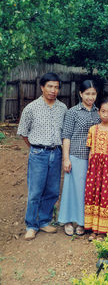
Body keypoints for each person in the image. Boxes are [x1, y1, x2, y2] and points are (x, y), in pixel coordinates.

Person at [17, 72, 67, 240]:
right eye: (50, 86)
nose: (53, 90)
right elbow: (24, 133)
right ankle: (31, 225)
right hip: (38, 153)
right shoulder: (31, 108)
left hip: (56, 153)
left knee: (52, 190)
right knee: (35, 191)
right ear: (42, 87)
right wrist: (36, 149)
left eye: (56, 87)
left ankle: (44, 221)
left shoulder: (62, 108)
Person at [58, 80, 100, 236]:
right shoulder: (72, 112)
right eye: (87, 93)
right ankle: (68, 220)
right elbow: (66, 136)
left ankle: (83, 222)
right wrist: (66, 158)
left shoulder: (98, 112)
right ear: (81, 94)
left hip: (93, 158)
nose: (90, 97)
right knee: (71, 190)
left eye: (93, 94)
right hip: (75, 156)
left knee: (86, 191)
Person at [84, 98, 108, 241]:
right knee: (93, 195)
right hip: (94, 169)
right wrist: (89, 169)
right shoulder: (93, 130)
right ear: (98, 112)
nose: (106, 115)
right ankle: (93, 229)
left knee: (106, 197)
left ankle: (103, 231)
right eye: (103, 111)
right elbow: (90, 152)